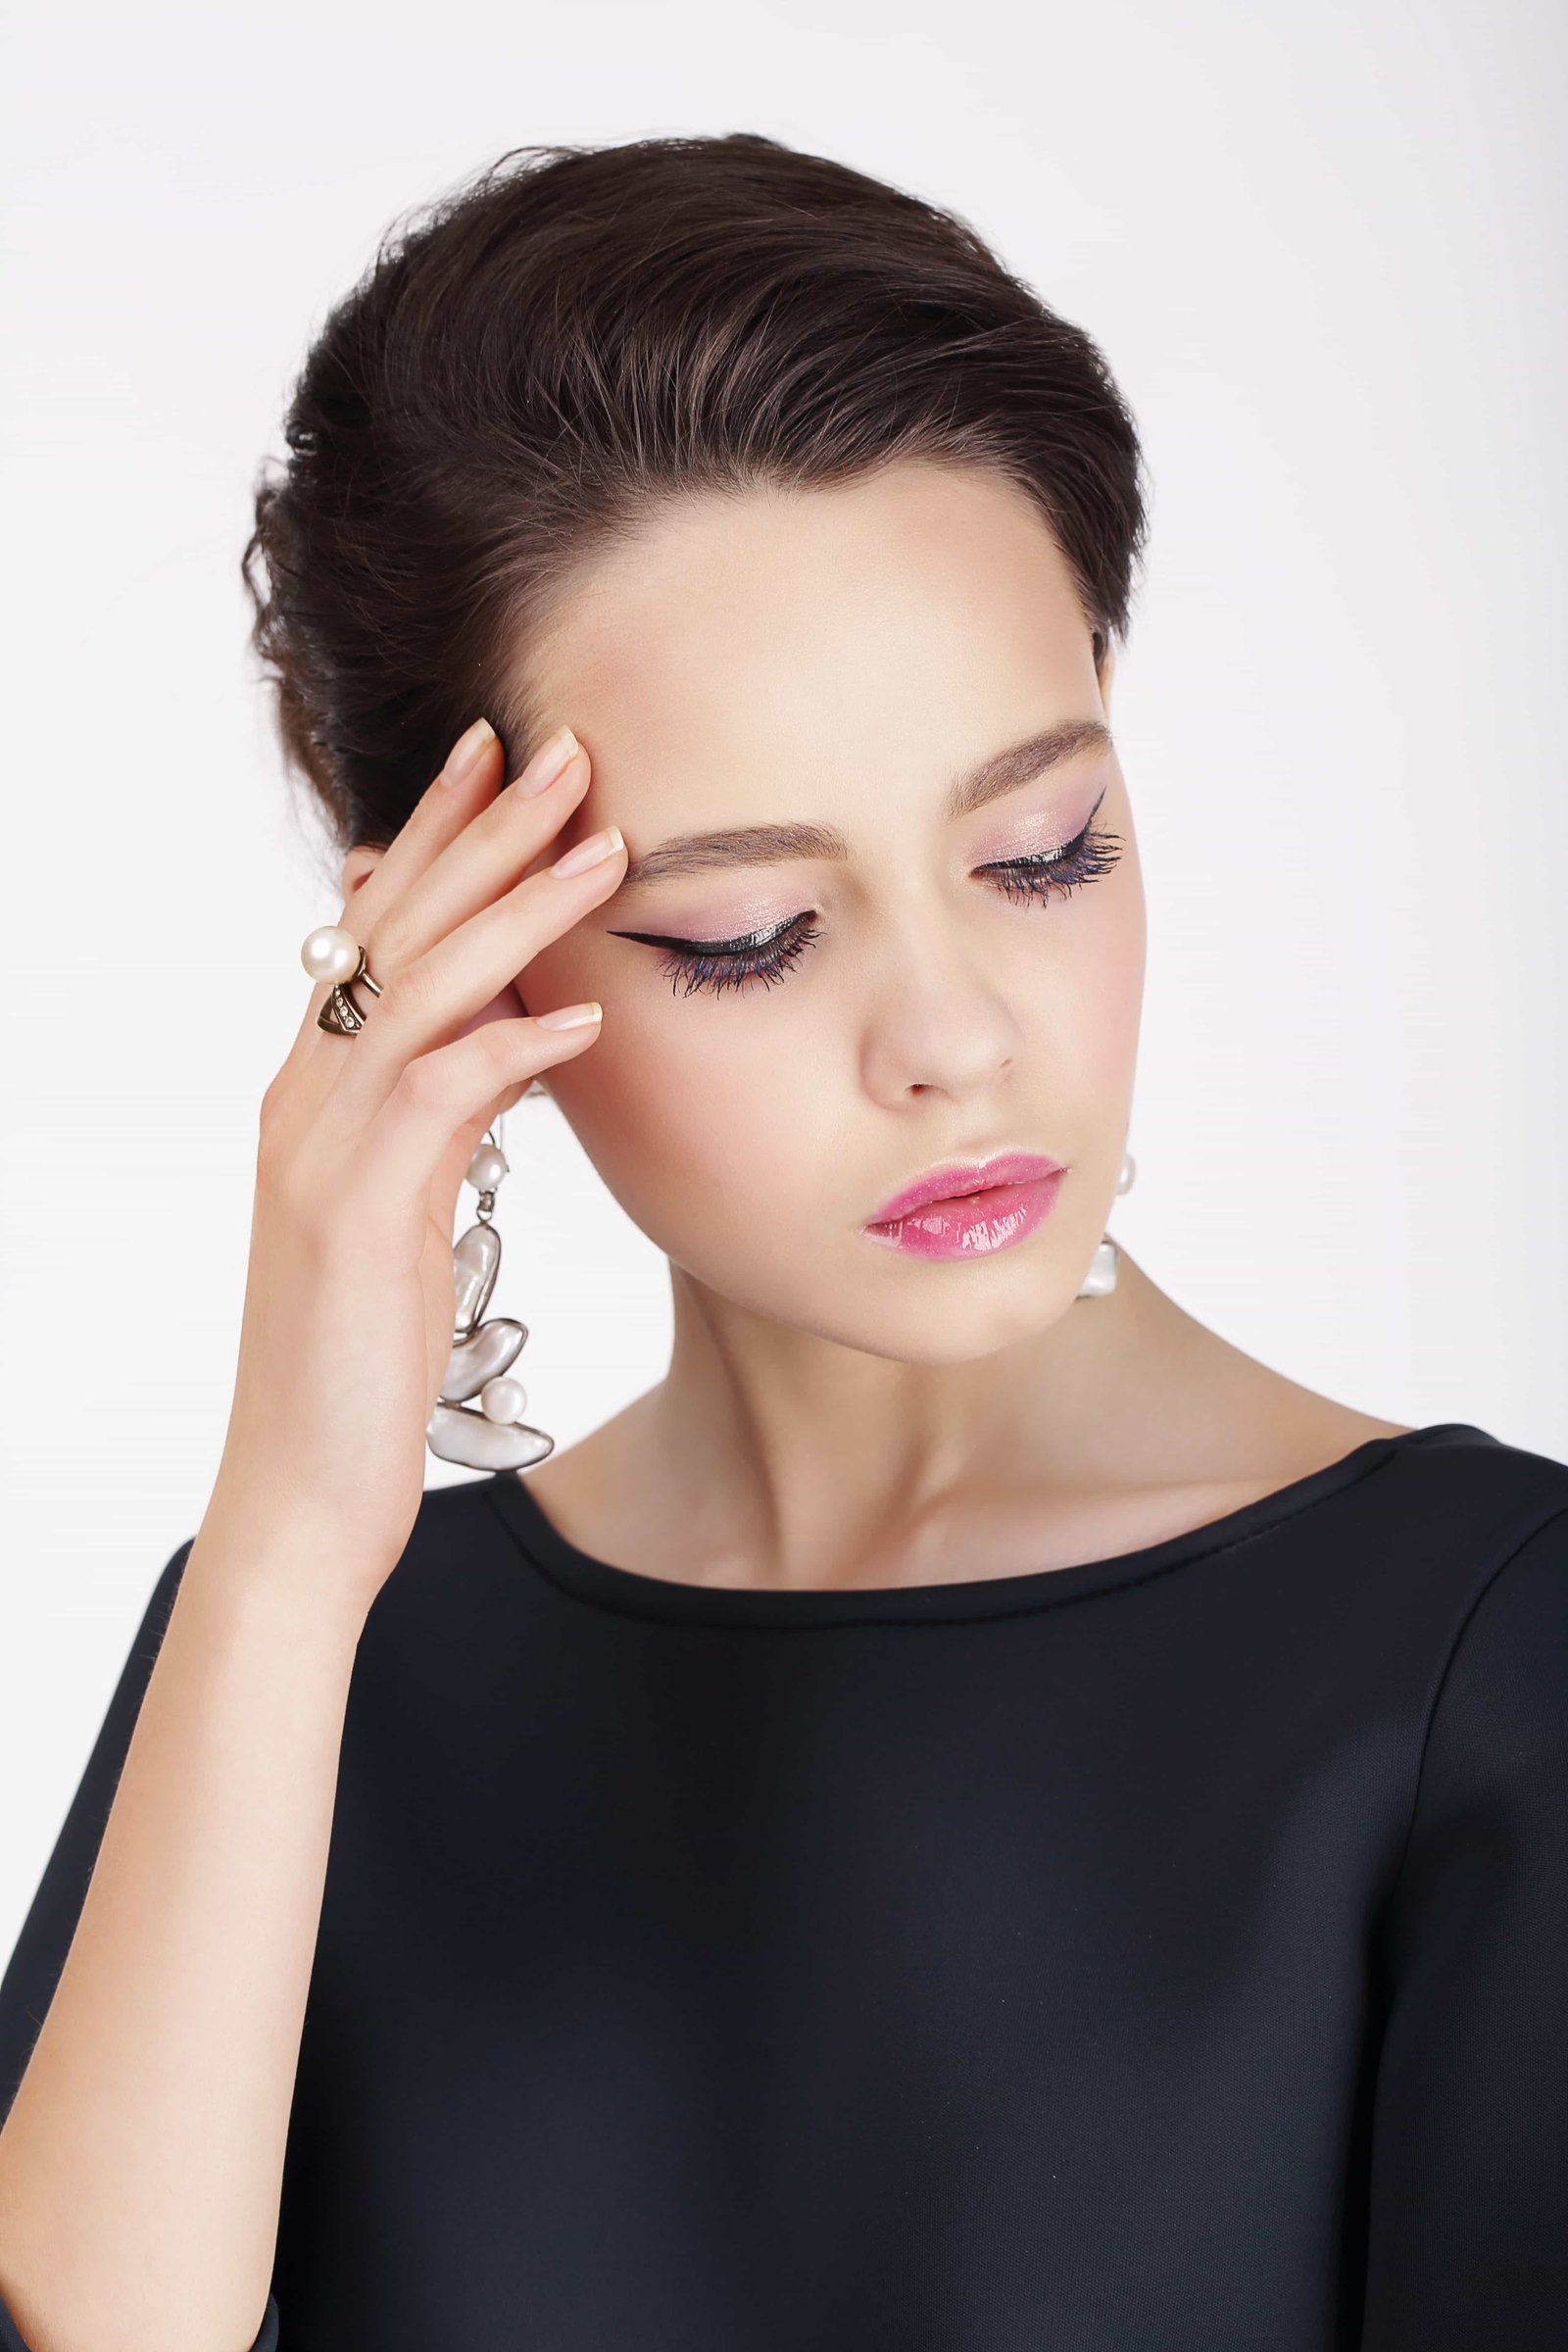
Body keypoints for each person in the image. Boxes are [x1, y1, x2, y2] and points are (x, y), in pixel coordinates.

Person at [0, 130, 1563, 2352]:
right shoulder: (304, 1665)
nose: (955, 1041)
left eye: (1042, 851)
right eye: (746, 932)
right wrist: (280, 1545)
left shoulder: (1489, 1665)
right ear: (449, 956)